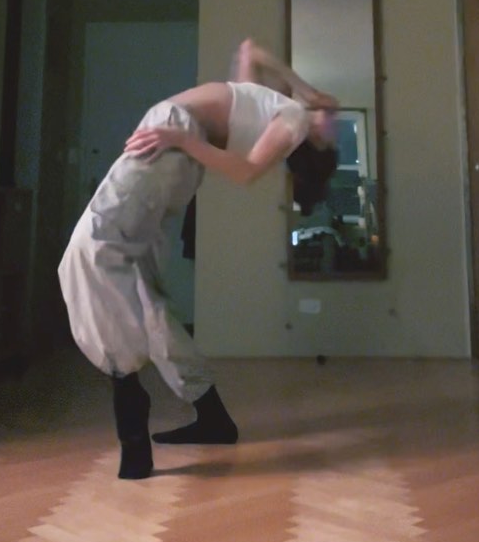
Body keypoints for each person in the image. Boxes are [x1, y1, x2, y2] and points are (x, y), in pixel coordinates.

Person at [58, 38, 339, 479]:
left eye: (332, 129)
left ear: (315, 148)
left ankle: (127, 398)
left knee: (90, 248)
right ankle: (211, 415)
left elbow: (244, 171)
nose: (332, 118)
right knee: (142, 287)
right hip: (179, 144)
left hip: (176, 136)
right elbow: (251, 51)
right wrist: (305, 88)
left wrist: (179, 138)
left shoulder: (294, 122)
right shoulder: (272, 106)